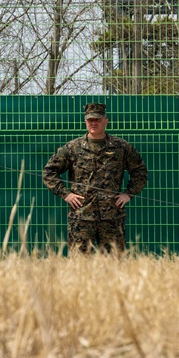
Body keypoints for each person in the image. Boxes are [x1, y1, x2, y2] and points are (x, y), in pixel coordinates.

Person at [42, 103, 147, 254]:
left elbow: (140, 171)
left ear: (106, 121)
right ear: (85, 122)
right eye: (90, 120)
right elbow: (49, 172)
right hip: (81, 217)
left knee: (114, 264)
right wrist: (66, 194)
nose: (93, 123)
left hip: (111, 216)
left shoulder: (120, 147)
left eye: (97, 120)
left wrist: (128, 193)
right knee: (81, 266)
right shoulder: (73, 148)